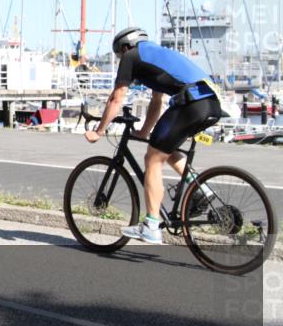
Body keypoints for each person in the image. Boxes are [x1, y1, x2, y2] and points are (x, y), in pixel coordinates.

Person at [84, 27, 222, 244]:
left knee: (152, 159)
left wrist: (99, 131)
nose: (121, 58)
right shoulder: (157, 56)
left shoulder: (132, 56)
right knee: (165, 149)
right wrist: (145, 132)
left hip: (191, 104)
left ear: (126, 46)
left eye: (119, 54)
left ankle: (150, 225)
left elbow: (116, 98)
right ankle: (202, 189)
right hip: (211, 104)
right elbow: (156, 102)